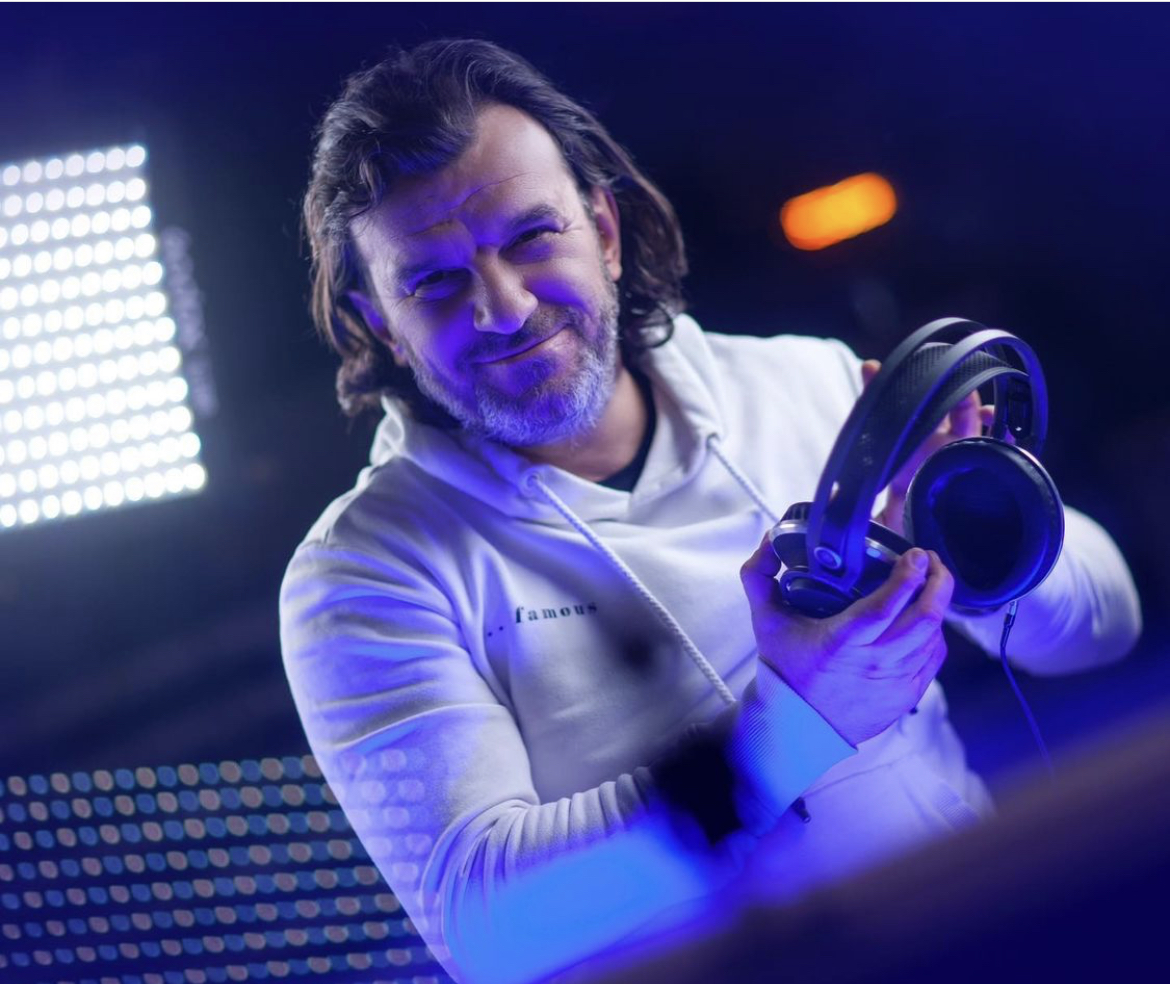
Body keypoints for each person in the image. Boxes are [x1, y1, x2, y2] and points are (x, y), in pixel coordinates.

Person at [280, 39, 1141, 984]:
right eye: (433, 281)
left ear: (604, 231)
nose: (505, 306)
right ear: (379, 323)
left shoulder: (806, 382)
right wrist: (800, 720)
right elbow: (489, 932)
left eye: (532, 236)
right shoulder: (360, 575)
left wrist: (966, 537)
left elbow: (1106, 629)